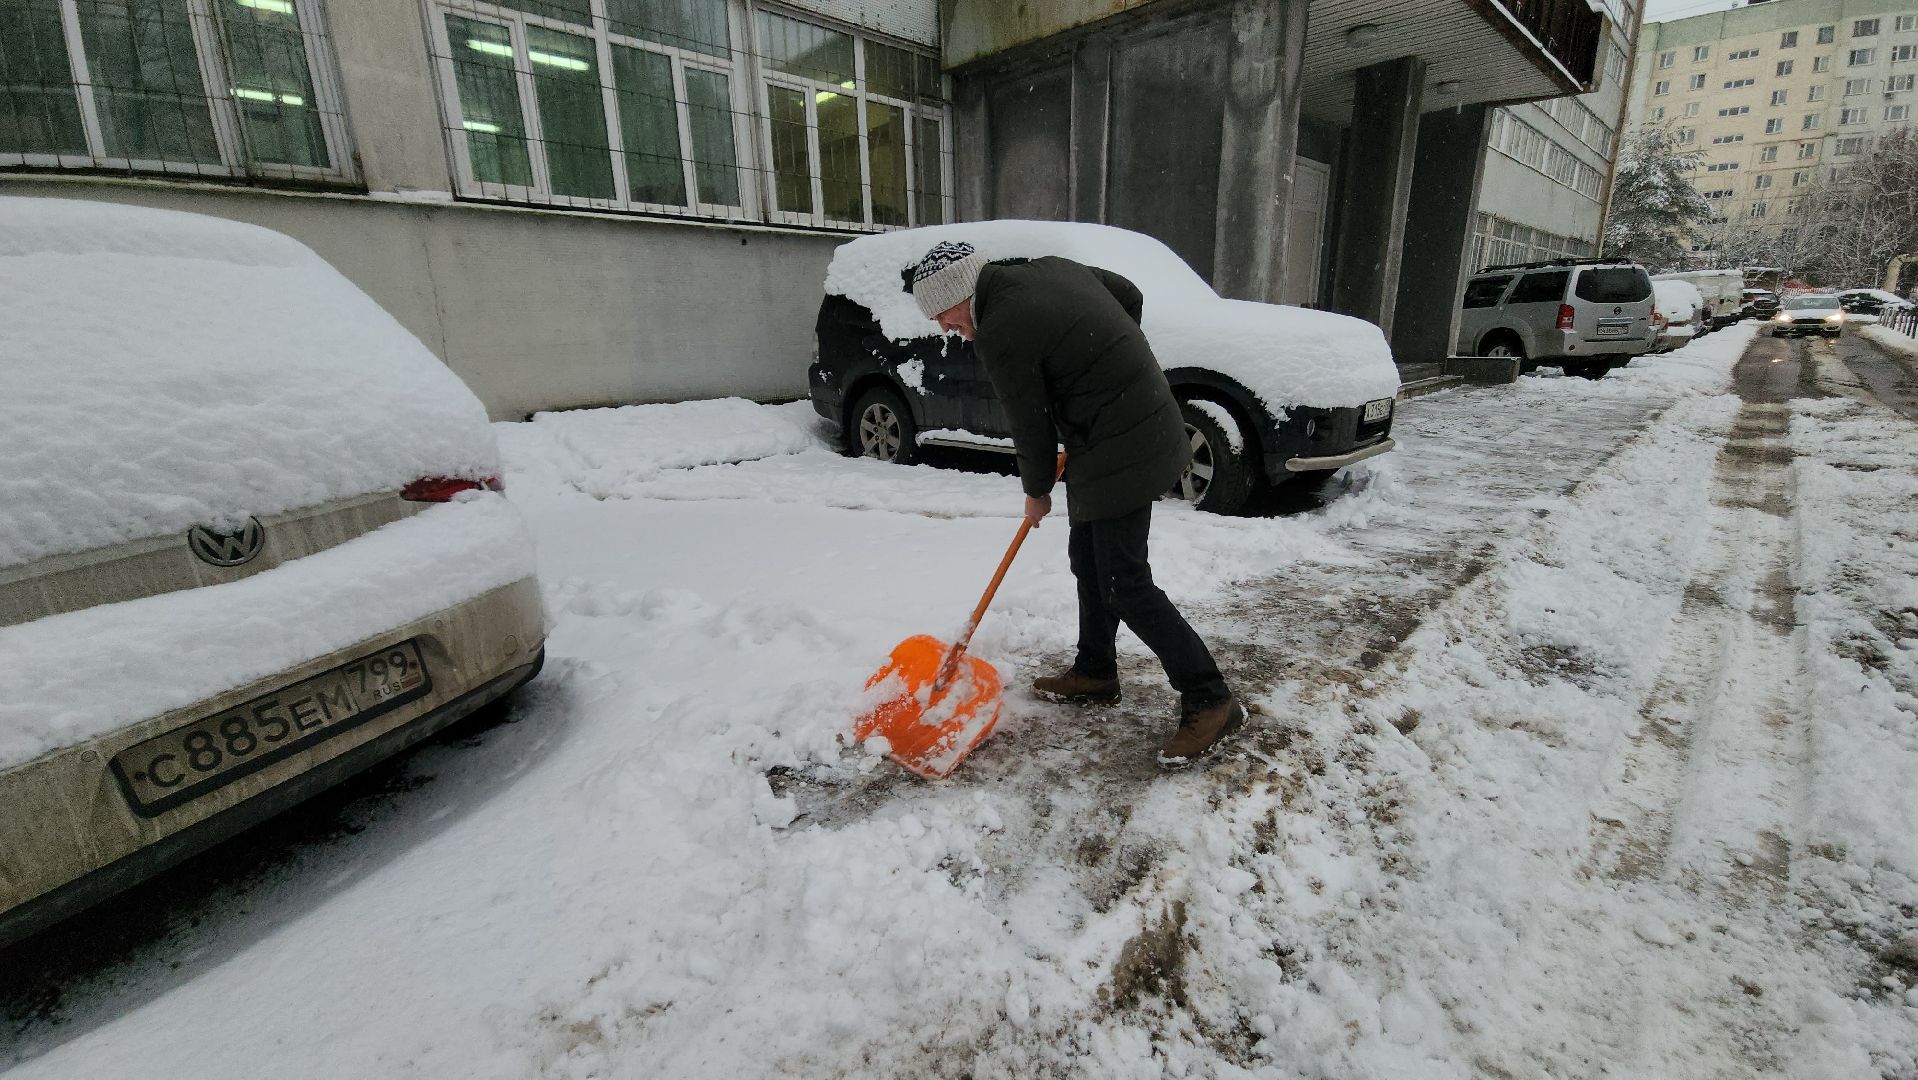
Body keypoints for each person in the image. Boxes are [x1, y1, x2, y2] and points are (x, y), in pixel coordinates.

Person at [903, 240, 1247, 767]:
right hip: (1125, 423)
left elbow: (1030, 420)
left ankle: (1210, 696)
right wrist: (1107, 364)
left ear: (959, 292)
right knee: (1088, 558)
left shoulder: (1001, 327)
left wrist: (1036, 490)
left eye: (942, 313)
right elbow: (1126, 295)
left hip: (1124, 441)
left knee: (1123, 582)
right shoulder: (1045, 269)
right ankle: (1095, 670)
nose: (946, 327)